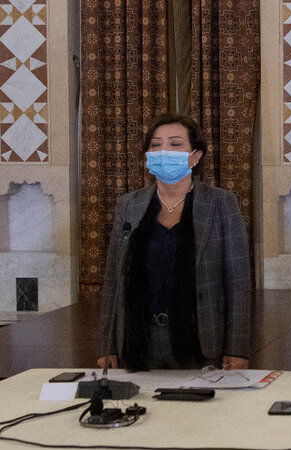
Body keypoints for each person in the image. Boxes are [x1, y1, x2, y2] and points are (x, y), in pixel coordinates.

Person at [98, 114, 251, 371]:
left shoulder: (221, 203)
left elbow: (238, 282)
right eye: (156, 145)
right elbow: (113, 280)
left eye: (175, 144)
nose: (164, 151)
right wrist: (107, 346)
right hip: (138, 342)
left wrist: (237, 348)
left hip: (201, 341)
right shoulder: (129, 205)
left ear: (195, 156)